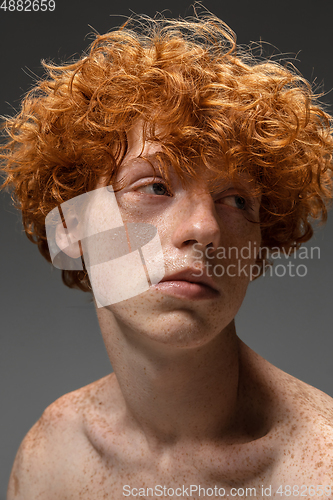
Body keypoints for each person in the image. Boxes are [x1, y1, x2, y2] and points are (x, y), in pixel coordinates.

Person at [2, 7, 333, 499]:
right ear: (70, 227)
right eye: (153, 186)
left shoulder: (321, 468)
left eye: (236, 201)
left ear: (261, 246)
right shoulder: (53, 458)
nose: (205, 228)